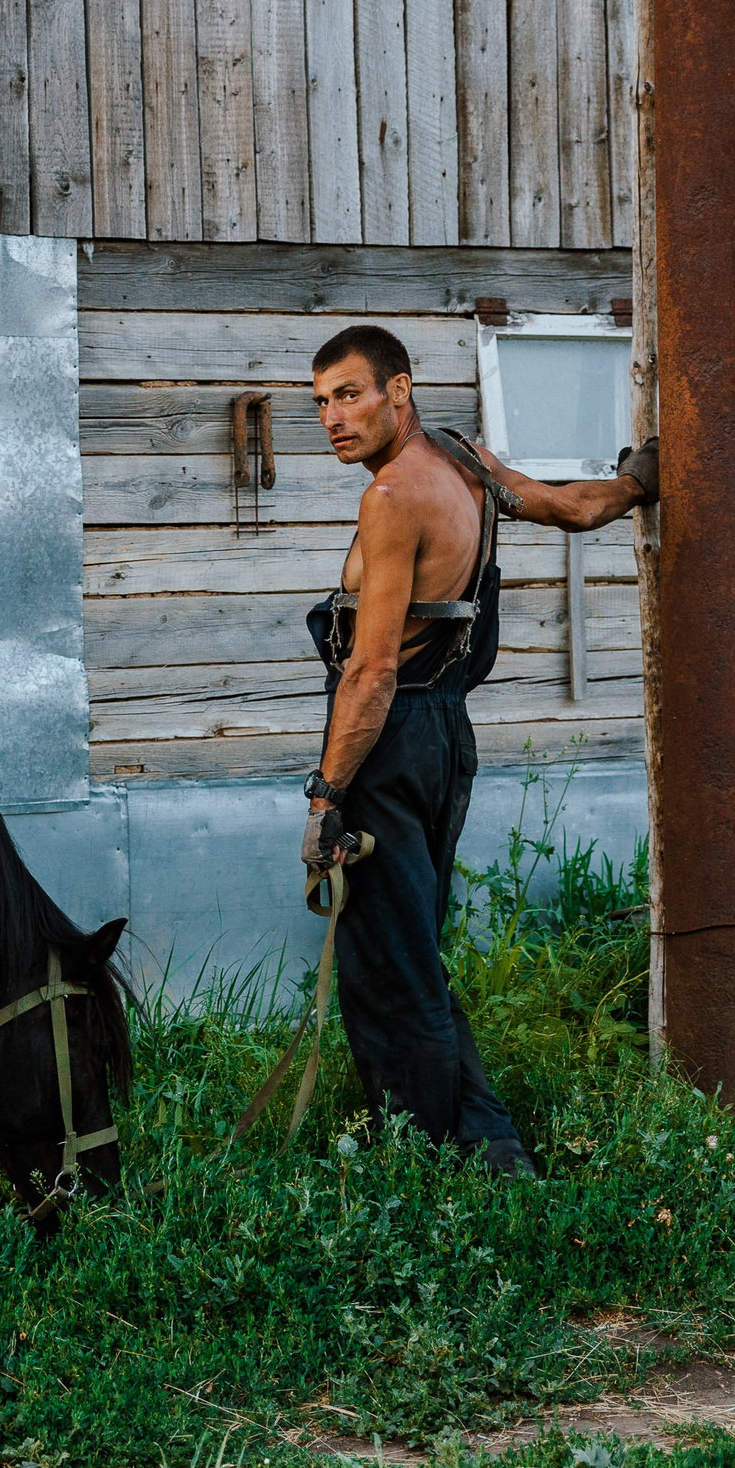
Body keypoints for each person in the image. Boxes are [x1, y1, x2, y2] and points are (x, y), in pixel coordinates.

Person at [299, 324, 656, 1176]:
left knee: (391, 961)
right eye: (319, 402)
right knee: (413, 942)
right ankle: (488, 1143)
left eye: (349, 394)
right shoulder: (464, 461)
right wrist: (640, 482)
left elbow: (374, 671)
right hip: (446, 740)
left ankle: (430, 1155)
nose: (332, 418)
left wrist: (324, 795)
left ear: (399, 389)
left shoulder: (391, 498)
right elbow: (576, 509)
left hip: (390, 743)